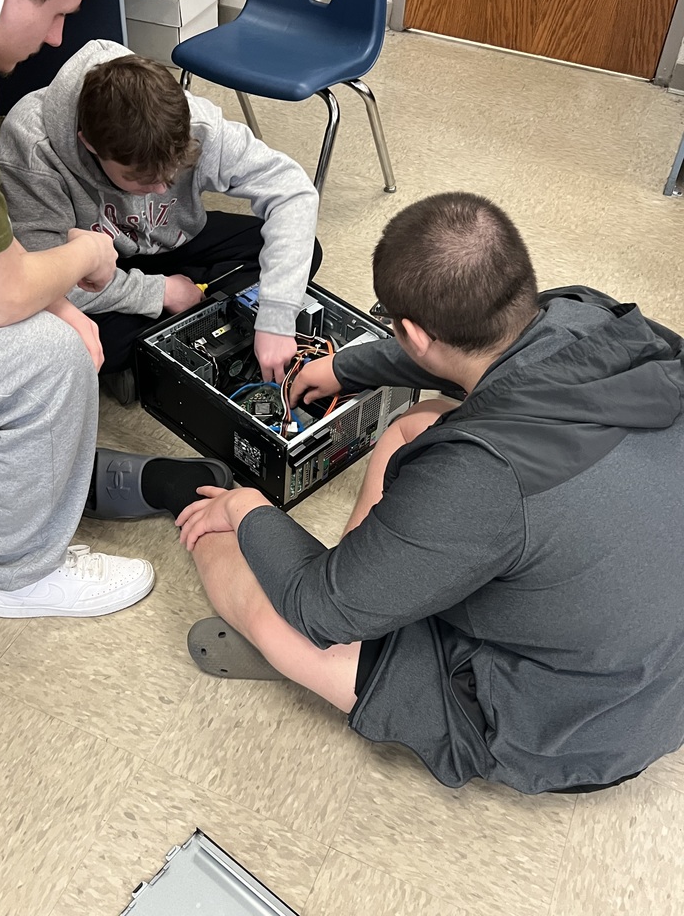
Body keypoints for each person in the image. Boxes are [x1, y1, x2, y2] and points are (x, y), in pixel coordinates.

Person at [174, 191, 684, 795]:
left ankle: (221, 518)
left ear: (412, 331)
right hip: (650, 662)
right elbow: (474, 357)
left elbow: (320, 611)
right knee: (419, 423)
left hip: (568, 728)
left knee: (244, 564)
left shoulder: (478, 478)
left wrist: (245, 505)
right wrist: (347, 369)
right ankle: (373, 575)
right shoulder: (585, 315)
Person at [0, 0, 230, 620]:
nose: (58, 39)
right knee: (53, 353)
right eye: (56, 12)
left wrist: (51, 287)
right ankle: (21, 575)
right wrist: (85, 252)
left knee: (20, 297)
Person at [0, 40, 322, 401]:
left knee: (299, 250)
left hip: (173, 241)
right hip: (89, 267)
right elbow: (39, 276)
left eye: (172, 173)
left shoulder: (194, 122)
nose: (160, 189)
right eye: (141, 179)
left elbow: (294, 193)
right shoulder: (32, 144)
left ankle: (164, 339)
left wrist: (276, 318)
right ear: (89, 145)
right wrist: (160, 292)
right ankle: (179, 324)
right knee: (61, 345)